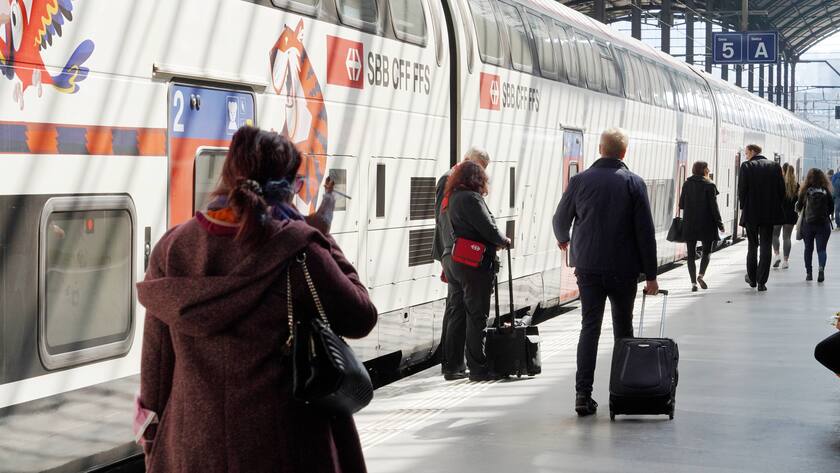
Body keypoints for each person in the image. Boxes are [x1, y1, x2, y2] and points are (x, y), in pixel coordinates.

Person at [134, 127, 378, 473]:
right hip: (287, 447)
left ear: (228, 173)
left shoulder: (173, 248)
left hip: (193, 449)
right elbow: (361, 316)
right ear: (290, 185)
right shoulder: (299, 249)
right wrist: (322, 238)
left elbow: (156, 367)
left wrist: (154, 447)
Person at [552, 128, 658, 417]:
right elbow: (645, 232)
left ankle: (582, 395)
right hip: (624, 270)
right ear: (624, 153)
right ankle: (623, 392)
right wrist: (651, 275)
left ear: (600, 149)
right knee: (623, 330)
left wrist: (563, 238)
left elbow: (560, 219)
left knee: (590, 328)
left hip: (588, 267)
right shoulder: (634, 183)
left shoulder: (580, 180)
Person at [443, 160, 510, 382]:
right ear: (477, 179)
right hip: (475, 264)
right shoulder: (471, 198)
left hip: (457, 260)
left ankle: (453, 366)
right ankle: (478, 368)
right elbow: (488, 228)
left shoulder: (453, 197)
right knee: (477, 315)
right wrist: (504, 240)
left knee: (458, 312)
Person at [432, 147, 490, 380]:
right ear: (468, 161)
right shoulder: (448, 179)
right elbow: (443, 218)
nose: (479, 173)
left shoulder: (462, 182)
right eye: (478, 167)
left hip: (457, 254)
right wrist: (451, 253)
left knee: (458, 307)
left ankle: (456, 363)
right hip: (456, 254)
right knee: (457, 307)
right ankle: (453, 364)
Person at [738, 144, 785, 292]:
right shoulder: (774, 166)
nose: (746, 156)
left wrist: (744, 207)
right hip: (769, 213)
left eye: (746, 153)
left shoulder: (746, 166)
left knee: (752, 246)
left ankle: (752, 279)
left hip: (751, 213)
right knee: (766, 246)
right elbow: (781, 191)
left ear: (753, 152)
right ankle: (761, 282)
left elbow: (742, 191)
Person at [679, 161, 724, 292]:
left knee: (691, 255)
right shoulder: (710, 185)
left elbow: (681, 204)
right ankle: (701, 275)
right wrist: (720, 223)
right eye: (707, 167)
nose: (708, 169)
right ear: (703, 170)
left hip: (690, 223)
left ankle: (693, 283)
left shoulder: (686, 184)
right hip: (707, 223)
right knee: (706, 251)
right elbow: (714, 207)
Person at [796, 168, 834, 282]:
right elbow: (831, 208)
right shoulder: (826, 190)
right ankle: (821, 269)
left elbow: (798, 207)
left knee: (808, 249)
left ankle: (809, 273)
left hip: (808, 224)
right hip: (823, 224)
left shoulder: (805, 191)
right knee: (821, 249)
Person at [773, 165, 799, 270]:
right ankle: (785, 261)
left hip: (778, 213)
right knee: (787, 237)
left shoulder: (779, 184)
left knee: (774, 235)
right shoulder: (796, 186)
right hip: (791, 215)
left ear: (783, 172)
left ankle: (777, 255)